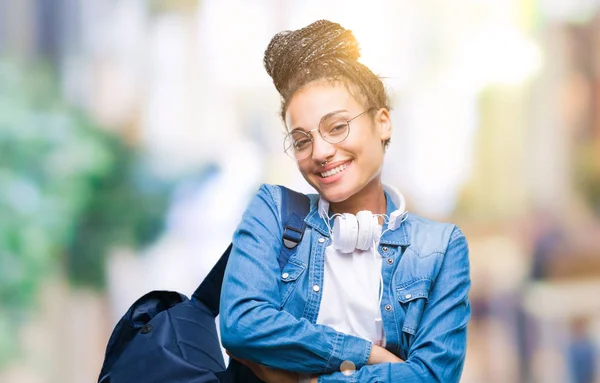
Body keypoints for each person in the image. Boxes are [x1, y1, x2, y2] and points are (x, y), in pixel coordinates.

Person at [219, 20, 471, 383]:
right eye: (302, 140)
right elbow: (240, 324)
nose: (320, 152)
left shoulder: (440, 249)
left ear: (383, 123)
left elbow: (433, 377)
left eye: (337, 127)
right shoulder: (273, 211)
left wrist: (307, 381)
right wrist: (366, 354)